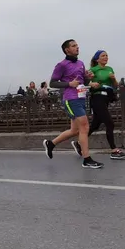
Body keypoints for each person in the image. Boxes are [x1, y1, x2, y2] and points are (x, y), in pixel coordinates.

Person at [43, 39, 104, 169]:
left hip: (81, 98)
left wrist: (89, 78)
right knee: (84, 127)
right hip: (71, 99)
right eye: (73, 46)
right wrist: (69, 84)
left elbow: (84, 81)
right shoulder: (62, 65)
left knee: (75, 130)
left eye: (77, 45)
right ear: (67, 50)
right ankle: (86, 159)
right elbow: (52, 83)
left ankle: (51, 144)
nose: (77, 47)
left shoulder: (81, 63)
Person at [77, 50, 125, 161]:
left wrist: (113, 79)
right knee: (110, 123)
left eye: (106, 55)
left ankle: (78, 143)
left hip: (106, 99)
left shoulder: (110, 69)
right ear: (97, 59)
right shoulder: (93, 70)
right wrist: (90, 79)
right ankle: (114, 150)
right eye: (103, 56)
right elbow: (84, 82)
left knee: (95, 125)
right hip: (97, 98)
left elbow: (115, 85)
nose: (106, 57)